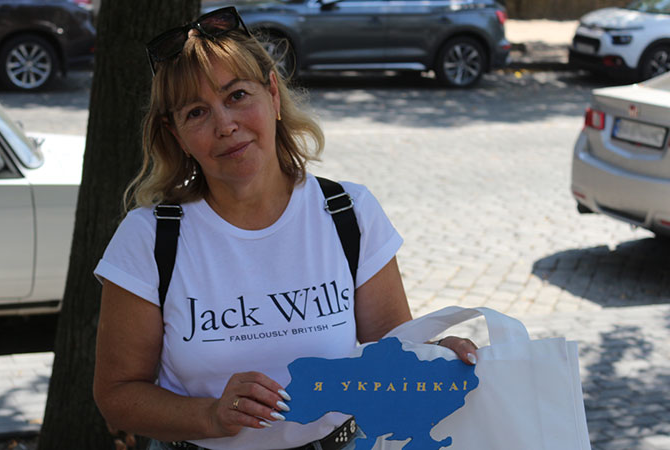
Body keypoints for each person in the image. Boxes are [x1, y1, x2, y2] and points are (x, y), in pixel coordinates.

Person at [92, 7, 478, 450]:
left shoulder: (348, 212)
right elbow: (117, 396)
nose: (225, 125)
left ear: (273, 95)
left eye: (237, 95)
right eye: (196, 112)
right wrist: (210, 415)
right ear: (177, 134)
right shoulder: (149, 238)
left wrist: (435, 357)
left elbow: (393, 354)